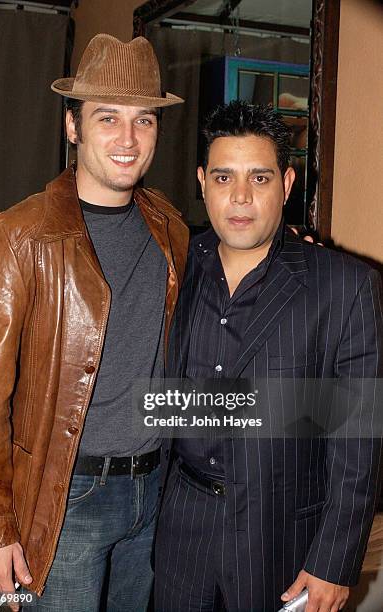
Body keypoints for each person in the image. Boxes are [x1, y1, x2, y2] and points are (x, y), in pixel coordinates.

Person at [0, 33, 188, 612]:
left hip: (152, 493)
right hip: (65, 500)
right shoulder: (17, 236)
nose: (127, 138)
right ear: (73, 127)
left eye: (143, 120)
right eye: (107, 118)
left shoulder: (168, 227)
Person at [154, 101, 383, 612]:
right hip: (180, 533)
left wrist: (333, 560)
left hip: (280, 542)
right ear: (201, 181)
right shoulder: (175, 267)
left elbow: (358, 440)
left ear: (286, 183)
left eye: (259, 178)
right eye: (223, 177)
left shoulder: (344, 286)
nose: (240, 197)